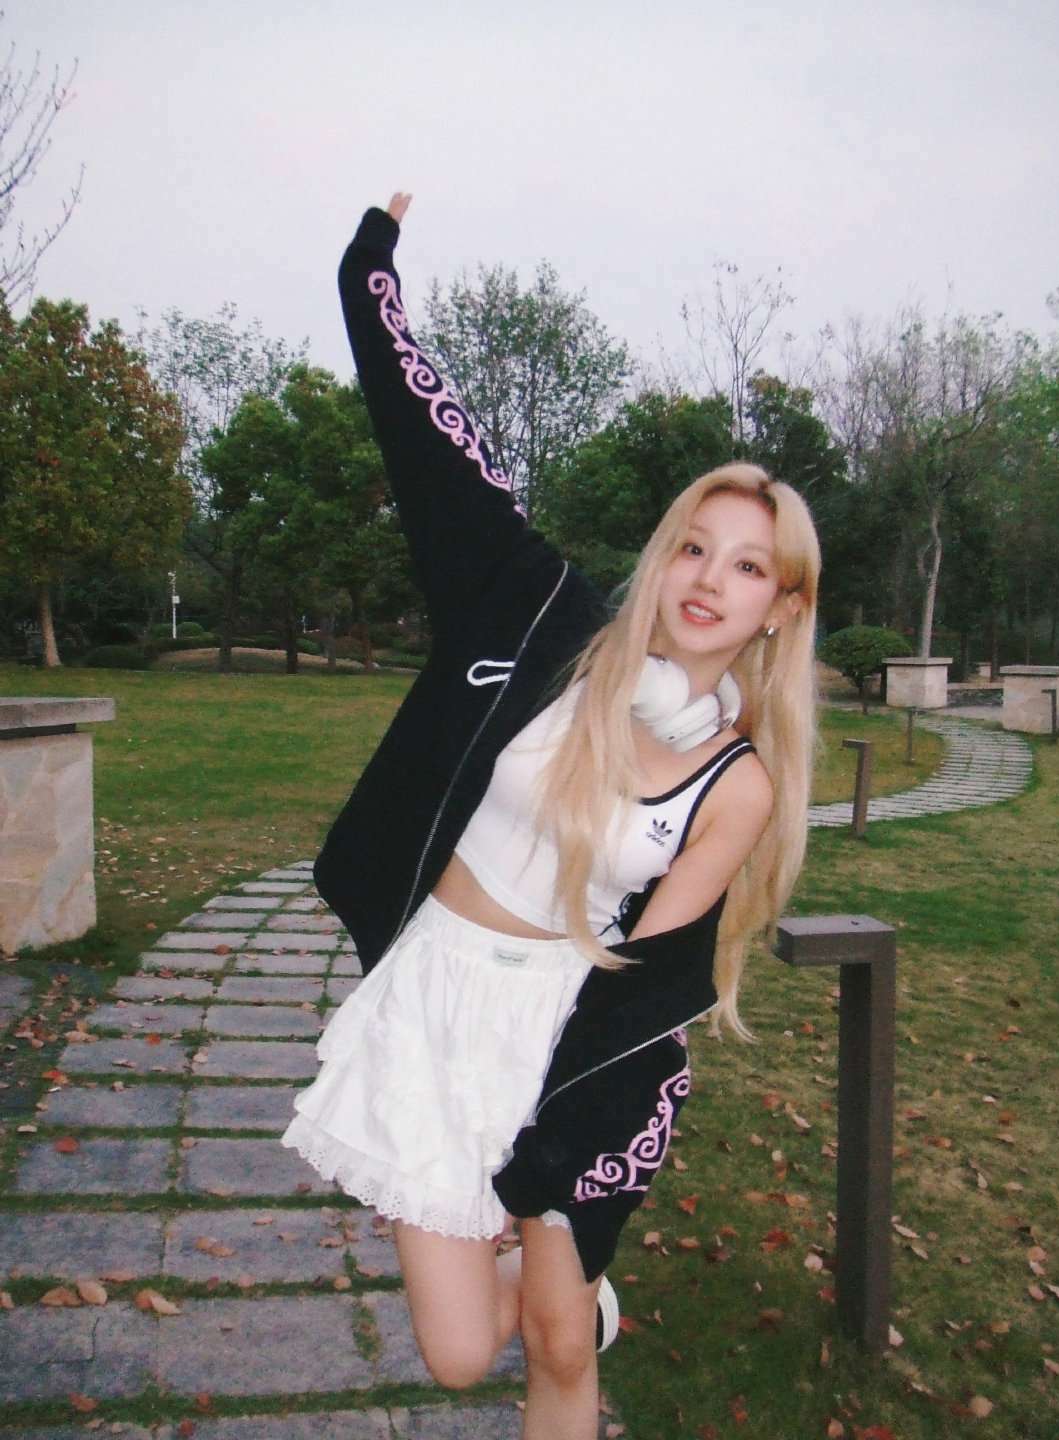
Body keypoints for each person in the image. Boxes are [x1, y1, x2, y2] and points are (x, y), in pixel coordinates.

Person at [281, 190, 821, 1440]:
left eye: (748, 566)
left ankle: (574, 1304)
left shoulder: (738, 782)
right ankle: (566, 1296)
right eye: (695, 547)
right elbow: (438, 464)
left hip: (566, 1040)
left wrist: (555, 1150)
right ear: (664, 556)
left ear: (780, 608)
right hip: (434, 999)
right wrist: (371, 274)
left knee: (559, 1344)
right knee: (463, 1353)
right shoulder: (546, 625)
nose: (710, 580)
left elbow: (652, 977)